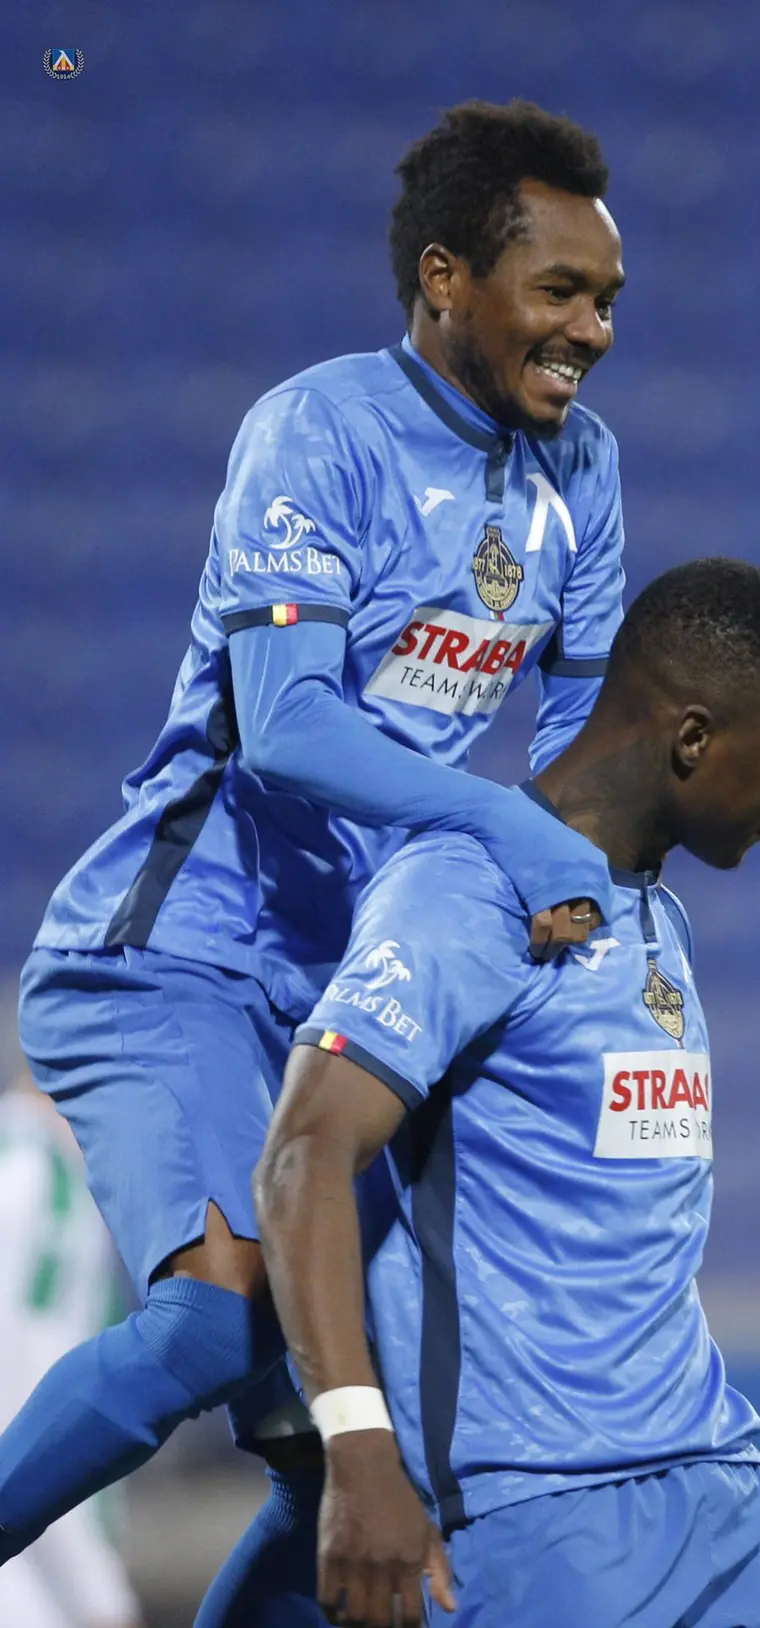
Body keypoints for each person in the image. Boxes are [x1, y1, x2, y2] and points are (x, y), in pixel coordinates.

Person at [2, 98, 628, 1575]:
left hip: (338, 989)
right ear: (445, 279)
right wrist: (500, 822)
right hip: (176, 949)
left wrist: (577, 882)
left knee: (344, 1447)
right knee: (211, 1324)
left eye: (608, 300)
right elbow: (285, 723)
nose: (592, 331)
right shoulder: (319, 431)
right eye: (560, 291)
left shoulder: (583, 471)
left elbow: (580, 744)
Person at [254, 557, 760, 1627]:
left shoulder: (652, 912)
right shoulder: (465, 893)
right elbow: (305, 1155)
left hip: (725, 1493)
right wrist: (359, 1448)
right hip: (543, 1520)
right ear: (693, 738)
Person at [0, 1069, 143, 1628]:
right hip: (29, 1547)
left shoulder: (43, 1162)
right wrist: (100, 1596)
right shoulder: (33, 1176)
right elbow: (26, 1395)